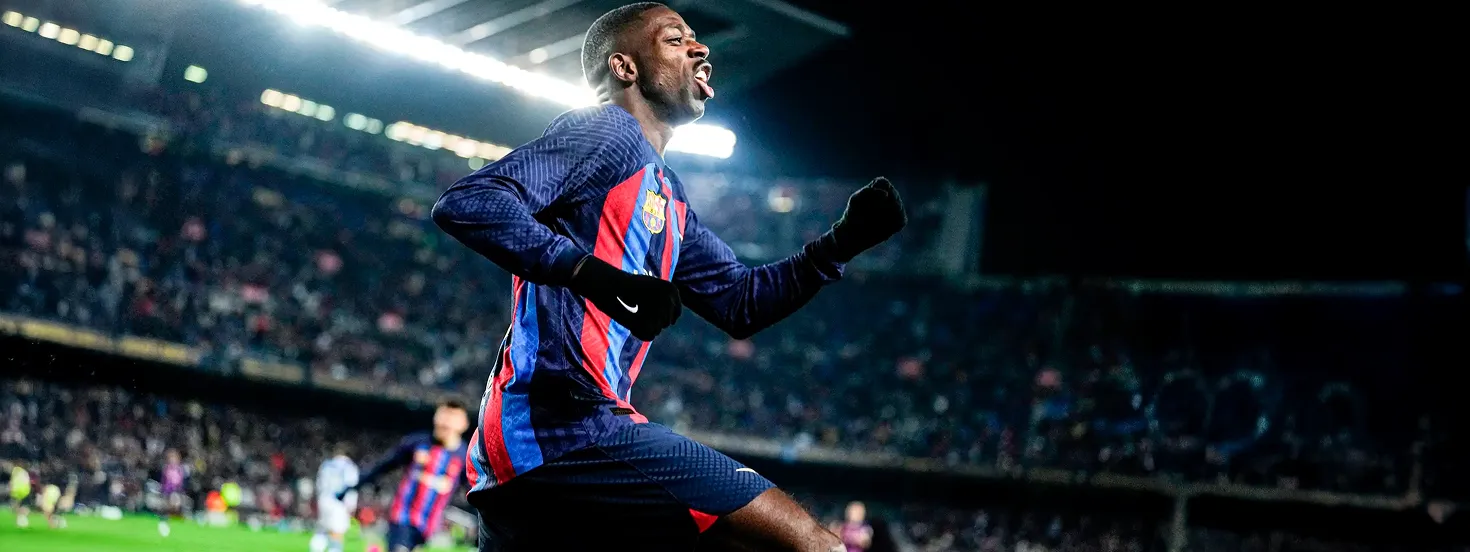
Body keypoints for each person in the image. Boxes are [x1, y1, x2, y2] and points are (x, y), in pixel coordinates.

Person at [431, 3, 906, 550]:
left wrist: (839, 244)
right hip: (565, 427)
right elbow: (470, 201)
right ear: (625, 68)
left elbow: (741, 301)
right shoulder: (606, 133)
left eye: (696, 38)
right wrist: (594, 276)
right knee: (811, 543)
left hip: (538, 452)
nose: (701, 49)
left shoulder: (668, 197)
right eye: (676, 40)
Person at [339, 401, 470, 552]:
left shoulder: (464, 457)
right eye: (444, 415)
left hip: (428, 526)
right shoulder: (417, 443)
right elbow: (382, 466)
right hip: (402, 518)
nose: (446, 422)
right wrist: (350, 488)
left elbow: (472, 489)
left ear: (463, 424)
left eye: (452, 417)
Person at [312, 443, 360, 552]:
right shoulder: (349, 467)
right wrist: (351, 506)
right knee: (337, 533)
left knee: (322, 529)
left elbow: (319, 484)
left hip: (324, 499)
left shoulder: (326, 465)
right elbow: (351, 487)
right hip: (339, 503)